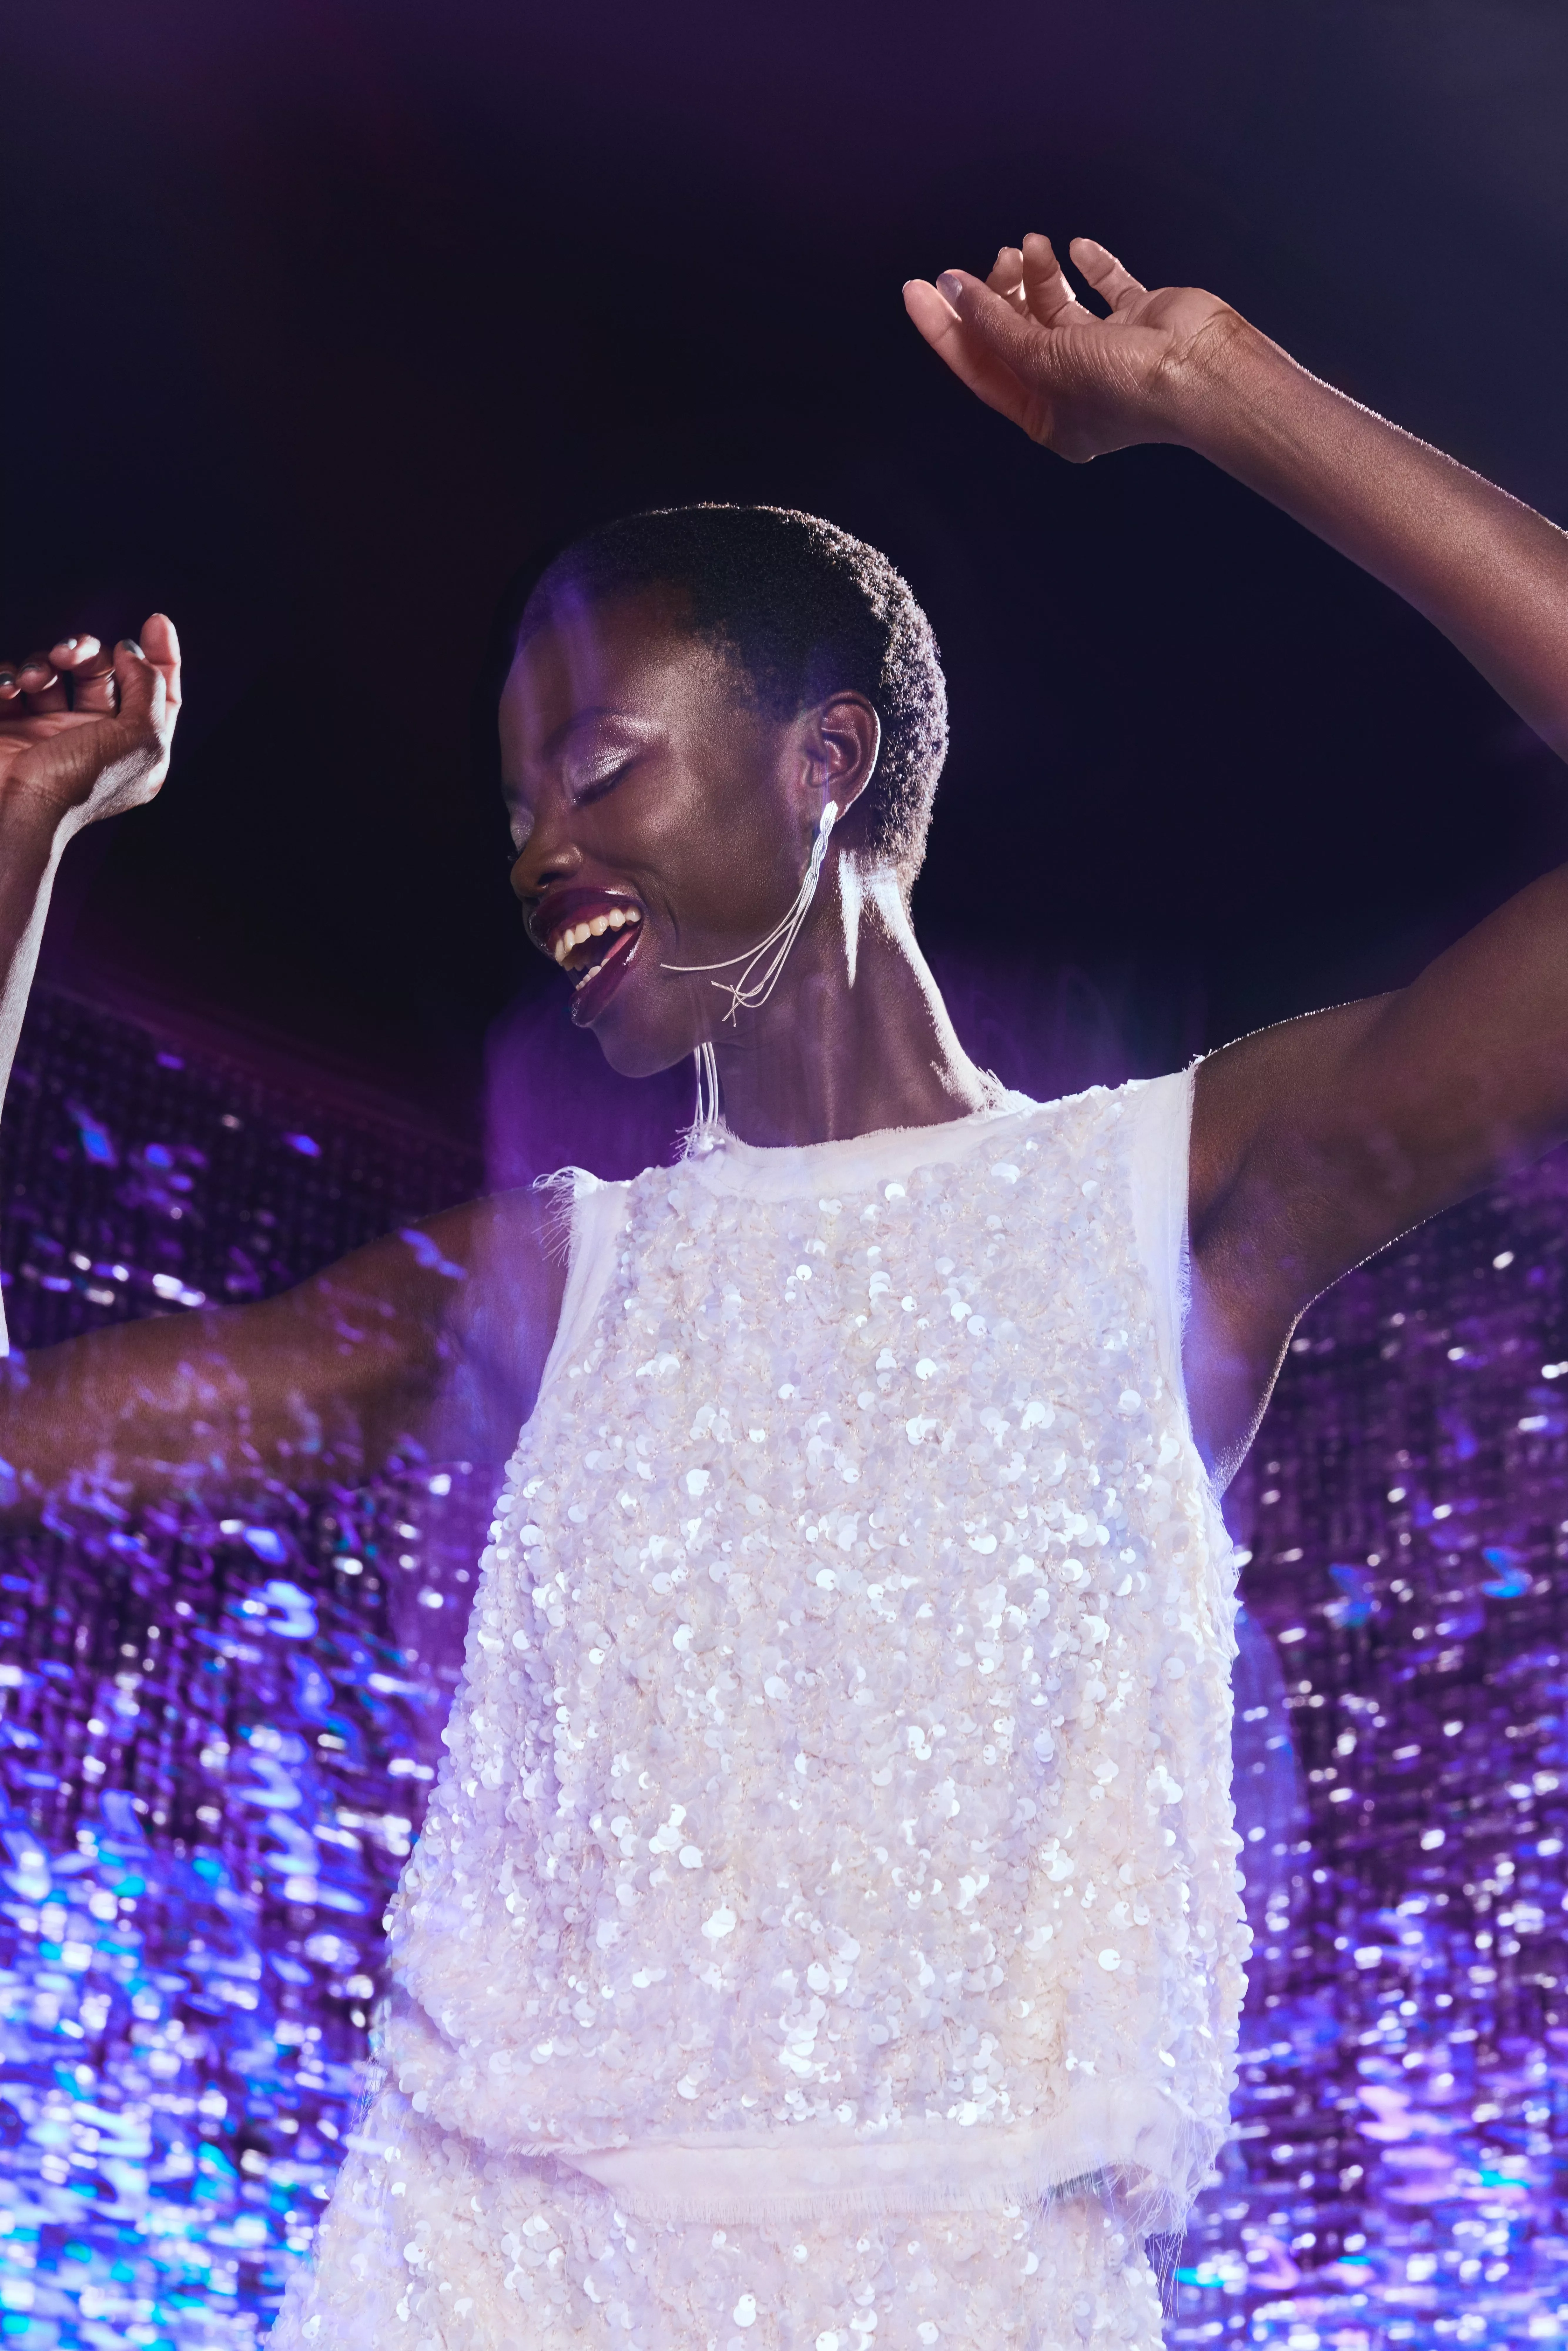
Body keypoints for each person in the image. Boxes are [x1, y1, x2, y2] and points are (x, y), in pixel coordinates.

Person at [3, 227, 1568, 2348]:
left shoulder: (1166, 1198)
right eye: (514, 807)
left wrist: (1221, 391)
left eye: (597, 766)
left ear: (826, 760)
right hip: (477, 2279)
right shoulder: (549, 1282)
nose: (542, 846)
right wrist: (17, 838)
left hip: (956, 2285)